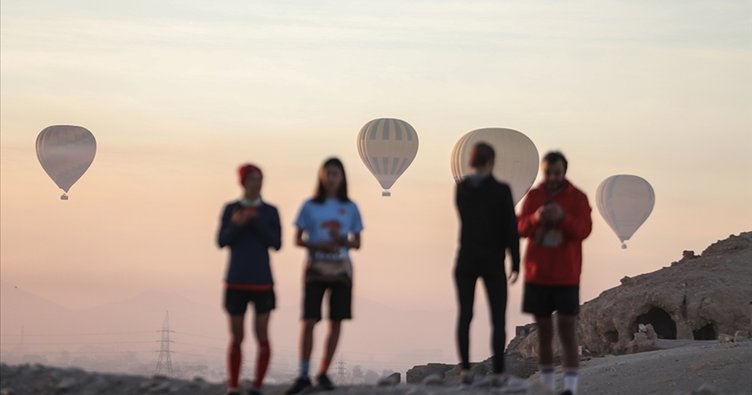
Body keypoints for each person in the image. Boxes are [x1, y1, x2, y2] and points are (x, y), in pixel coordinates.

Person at [286, 157, 364, 394]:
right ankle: (303, 373)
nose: (332, 178)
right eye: (328, 173)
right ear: (321, 176)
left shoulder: (351, 207)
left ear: (342, 178)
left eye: (336, 174)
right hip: (316, 268)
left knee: (336, 321)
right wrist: (319, 246)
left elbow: (357, 242)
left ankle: (323, 372)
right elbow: (297, 239)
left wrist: (343, 242)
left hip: (341, 270)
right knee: (309, 320)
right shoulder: (309, 206)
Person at [517, 151, 592, 395]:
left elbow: (584, 230)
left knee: (568, 332)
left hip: (566, 275)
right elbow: (519, 227)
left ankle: (570, 388)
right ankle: (547, 387)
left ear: (564, 172)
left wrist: (564, 219)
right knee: (544, 333)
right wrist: (536, 218)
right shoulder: (535, 196)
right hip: (538, 274)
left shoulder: (577, 198)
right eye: (548, 172)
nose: (551, 177)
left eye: (556, 173)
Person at [454, 142, 520, 386]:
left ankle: (464, 369)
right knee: (498, 317)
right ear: (492, 161)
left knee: (465, 315)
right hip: (493, 260)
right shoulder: (501, 190)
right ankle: (499, 371)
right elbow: (510, 228)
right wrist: (516, 260)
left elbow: (467, 218)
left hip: (466, 258)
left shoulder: (462, 189)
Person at [217, 164, 282, 395]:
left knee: (262, 335)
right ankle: (233, 386)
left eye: (260, 179)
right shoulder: (230, 209)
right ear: (243, 182)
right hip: (235, 280)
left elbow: (276, 242)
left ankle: (257, 385)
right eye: (253, 179)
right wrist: (237, 224)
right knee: (236, 337)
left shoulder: (270, 211)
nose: (257, 183)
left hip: (262, 281)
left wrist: (255, 222)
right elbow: (222, 240)